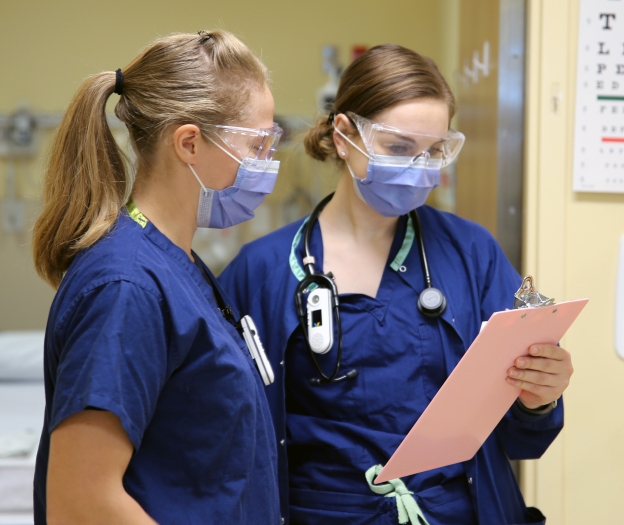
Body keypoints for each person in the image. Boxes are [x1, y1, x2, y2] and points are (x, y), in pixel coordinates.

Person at [219, 44, 574, 525]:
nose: (420, 168)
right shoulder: (262, 271)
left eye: (434, 151)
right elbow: (227, 437)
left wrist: (540, 397)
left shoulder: (470, 253)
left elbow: (520, 439)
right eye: (400, 149)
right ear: (345, 135)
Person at [32, 30, 283, 525]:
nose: (266, 163)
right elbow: (81, 505)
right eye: (257, 143)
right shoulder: (126, 288)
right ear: (189, 142)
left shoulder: (175, 264)